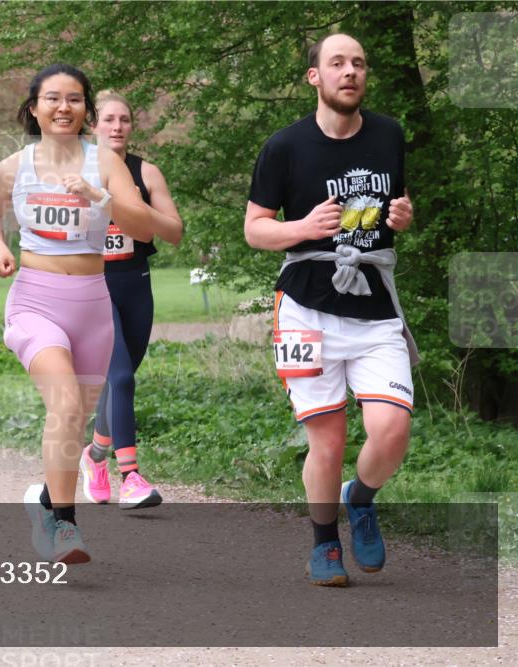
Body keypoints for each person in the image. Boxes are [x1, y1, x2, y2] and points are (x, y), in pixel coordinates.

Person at [245, 34, 416, 586]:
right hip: (304, 308)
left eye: (359, 64)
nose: (350, 72)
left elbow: (392, 209)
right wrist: (302, 228)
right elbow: (255, 228)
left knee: (390, 431)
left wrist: (402, 217)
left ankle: (359, 498)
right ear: (314, 77)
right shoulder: (285, 147)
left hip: (373, 305)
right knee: (330, 440)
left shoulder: (389, 134)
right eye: (337, 63)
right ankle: (324, 545)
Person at [0, 64, 151, 564]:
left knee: (73, 424)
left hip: (94, 305)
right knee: (67, 407)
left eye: (74, 99)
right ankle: (65, 528)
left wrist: (103, 198)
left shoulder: (105, 163)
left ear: (86, 110)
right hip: (35, 300)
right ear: (34, 108)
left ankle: (46, 506)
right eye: (52, 98)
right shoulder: (14, 166)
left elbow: (142, 228)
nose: (63, 107)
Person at [79, 91, 183, 509]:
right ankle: (132, 476)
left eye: (124, 120)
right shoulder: (76, 172)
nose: (117, 127)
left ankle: (95, 456)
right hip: (93, 288)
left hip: (136, 286)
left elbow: (174, 232)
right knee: (120, 379)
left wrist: (130, 210)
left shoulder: (147, 173)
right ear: (93, 125)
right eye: (108, 120)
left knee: (117, 383)